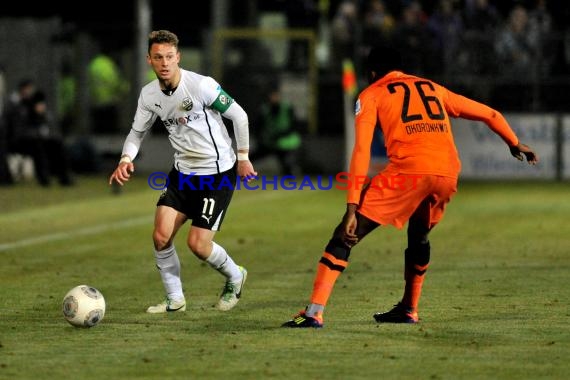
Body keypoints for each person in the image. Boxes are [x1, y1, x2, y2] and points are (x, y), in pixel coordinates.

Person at [282, 46, 539, 328]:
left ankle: (314, 312)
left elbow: (361, 152)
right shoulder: (433, 88)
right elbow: (490, 114)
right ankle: (408, 308)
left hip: (409, 172)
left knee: (345, 235)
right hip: (447, 172)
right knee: (419, 236)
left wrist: (351, 207)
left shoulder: (371, 94)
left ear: (371, 73)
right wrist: (514, 143)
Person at [109, 30, 257, 313]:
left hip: (216, 173)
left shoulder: (201, 86)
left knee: (198, 246)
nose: (164, 63)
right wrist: (126, 158)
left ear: (178, 57)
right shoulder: (149, 95)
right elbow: (136, 133)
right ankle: (175, 299)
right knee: (161, 236)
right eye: (158, 57)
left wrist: (243, 157)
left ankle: (235, 276)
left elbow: (239, 115)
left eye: (169, 57)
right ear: (149, 60)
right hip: (182, 174)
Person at [4, 79, 73, 186]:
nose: (30, 92)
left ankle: (65, 177)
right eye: (29, 89)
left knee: (57, 142)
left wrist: (41, 115)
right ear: (23, 89)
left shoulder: (33, 105)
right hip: (20, 141)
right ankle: (44, 178)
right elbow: (17, 129)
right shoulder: (15, 105)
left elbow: (45, 122)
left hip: (36, 138)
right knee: (38, 146)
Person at [252, 85, 302, 176]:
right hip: (270, 141)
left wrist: (282, 134)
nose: (274, 98)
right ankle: (237, 171)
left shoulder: (287, 108)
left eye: (276, 96)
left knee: (286, 161)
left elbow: (295, 125)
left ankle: (290, 176)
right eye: (272, 96)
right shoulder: (265, 109)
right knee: (253, 156)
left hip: (285, 142)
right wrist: (260, 139)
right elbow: (258, 127)